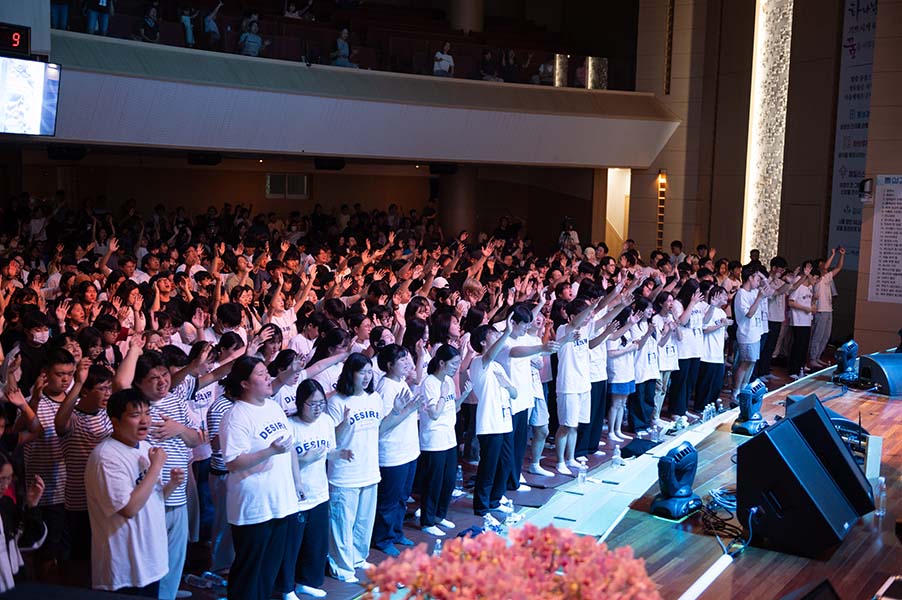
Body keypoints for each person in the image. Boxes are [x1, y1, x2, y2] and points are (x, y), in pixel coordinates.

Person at [85, 388, 181, 596]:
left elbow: (152, 499)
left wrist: (171, 485)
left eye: (147, 413)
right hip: (125, 570)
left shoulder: (145, 446)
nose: (144, 420)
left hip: (149, 562)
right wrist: (155, 467)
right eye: (135, 415)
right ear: (116, 421)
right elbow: (128, 509)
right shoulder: (106, 457)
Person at [219, 357, 301, 600]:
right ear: (245, 383)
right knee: (249, 573)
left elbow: (290, 448)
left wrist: (297, 484)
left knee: (268, 571)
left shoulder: (273, 406)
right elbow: (233, 462)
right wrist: (270, 451)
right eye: (261, 374)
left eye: (267, 372)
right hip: (253, 507)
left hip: (281, 502)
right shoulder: (236, 416)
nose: (268, 378)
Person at [287, 379, 350, 599]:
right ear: (299, 402)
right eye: (311, 404)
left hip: (320, 492)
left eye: (321, 403)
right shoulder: (291, 425)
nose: (317, 409)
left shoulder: (325, 421)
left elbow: (327, 451)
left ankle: (308, 581)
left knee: (316, 543)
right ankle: (287, 588)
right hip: (297, 496)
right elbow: (285, 463)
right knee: (292, 545)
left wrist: (339, 454)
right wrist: (304, 459)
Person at [325, 353, 381, 582]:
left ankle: (358, 558)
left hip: (369, 469)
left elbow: (380, 428)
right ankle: (341, 567)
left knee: (363, 521)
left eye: (369, 371)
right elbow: (331, 440)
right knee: (341, 523)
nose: (366, 377)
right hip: (344, 473)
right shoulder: (337, 401)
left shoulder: (374, 398)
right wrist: (344, 424)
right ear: (351, 373)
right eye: (362, 372)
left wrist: (398, 411)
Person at [55, 361, 114, 574]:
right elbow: (59, 423)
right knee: (82, 560)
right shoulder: (74, 418)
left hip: (106, 498)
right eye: (102, 389)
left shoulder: (108, 414)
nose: (108, 393)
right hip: (80, 500)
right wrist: (78, 383)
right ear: (86, 391)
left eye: (110, 387)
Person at [372, 345, 420, 556]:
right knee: (389, 501)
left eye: (407, 359)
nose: (407, 363)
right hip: (392, 453)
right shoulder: (386, 387)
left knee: (402, 497)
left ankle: (396, 531)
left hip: (409, 449)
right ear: (389, 365)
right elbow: (383, 426)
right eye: (402, 361)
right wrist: (409, 408)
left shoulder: (400, 382)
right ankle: (383, 538)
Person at [417, 345, 466, 536]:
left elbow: (451, 409)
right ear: (442, 363)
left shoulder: (448, 381)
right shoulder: (429, 383)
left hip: (449, 438)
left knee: (448, 481)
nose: (456, 367)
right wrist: (444, 393)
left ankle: (439, 515)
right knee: (433, 482)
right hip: (434, 439)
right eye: (454, 364)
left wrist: (465, 395)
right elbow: (435, 414)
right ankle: (427, 521)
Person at [732, 265, 766, 403]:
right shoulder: (741, 294)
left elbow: (768, 288)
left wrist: (762, 277)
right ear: (750, 278)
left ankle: (744, 389)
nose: (759, 282)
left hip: (755, 333)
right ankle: (735, 392)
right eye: (757, 279)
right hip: (746, 334)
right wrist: (758, 298)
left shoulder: (754, 291)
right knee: (745, 363)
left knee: (752, 362)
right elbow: (749, 314)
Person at [808, 247, 845, 369]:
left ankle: (818, 357)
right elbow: (825, 268)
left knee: (826, 336)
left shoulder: (828, 277)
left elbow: (838, 268)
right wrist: (833, 254)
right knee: (817, 336)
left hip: (829, 310)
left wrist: (842, 256)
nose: (825, 267)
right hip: (820, 310)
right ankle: (813, 358)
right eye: (822, 265)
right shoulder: (817, 279)